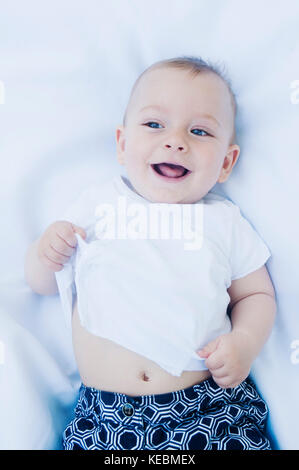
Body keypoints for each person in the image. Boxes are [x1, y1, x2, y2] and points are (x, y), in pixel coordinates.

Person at [24, 56, 276, 450]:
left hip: (207, 410)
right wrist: (45, 253)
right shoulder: (98, 205)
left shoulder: (224, 222)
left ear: (226, 163)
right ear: (123, 144)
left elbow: (257, 295)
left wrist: (244, 342)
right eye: (154, 124)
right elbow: (41, 284)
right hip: (104, 418)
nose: (176, 141)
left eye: (200, 131)